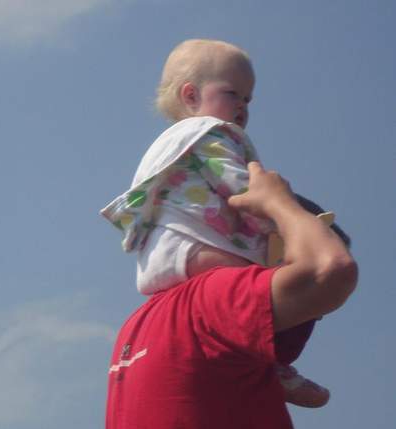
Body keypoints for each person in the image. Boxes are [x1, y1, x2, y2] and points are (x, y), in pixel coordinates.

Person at [105, 161, 358, 429]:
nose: (313, 317)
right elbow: (329, 272)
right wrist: (279, 203)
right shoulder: (212, 299)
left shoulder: (140, 327)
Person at [101, 39, 348, 407]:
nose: (243, 106)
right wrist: (285, 219)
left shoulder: (170, 143)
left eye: (248, 99)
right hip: (198, 247)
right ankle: (274, 361)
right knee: (294, 281)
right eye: (233, 93)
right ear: (190, 95)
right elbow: (238, 184)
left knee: (266, 293)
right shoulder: (212, 132)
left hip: (168, 256)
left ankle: (265, 358)